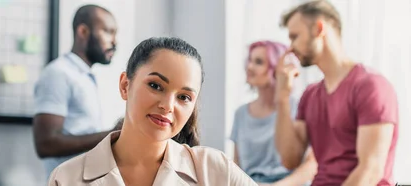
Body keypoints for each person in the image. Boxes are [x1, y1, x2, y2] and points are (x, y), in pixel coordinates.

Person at [47, 37, 257, 186]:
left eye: (184, 97)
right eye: (156, 86)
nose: (168, 105)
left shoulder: (215, 170)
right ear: (125, 85)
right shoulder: (67, 178)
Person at [273, 1, 399, 186]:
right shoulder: (310, 95)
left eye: (295, 36)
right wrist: (282, 98)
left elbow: (370, 170)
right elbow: (290, 159)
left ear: (318, 28)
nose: (290, 48)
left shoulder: (370, 86)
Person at [32, 4, 120, 177]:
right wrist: (112, 135)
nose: (114, 42)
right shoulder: (58, 73)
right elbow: (45, 144)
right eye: (108, 32)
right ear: (83, 32)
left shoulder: (87, 77)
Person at [231, 40, 317, 186]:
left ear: (278, 68)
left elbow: (311, 165)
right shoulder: (241, 114)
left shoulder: (298, 107)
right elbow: (236, 167)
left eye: (258, 62)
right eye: (249, 61)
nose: (250, 67)